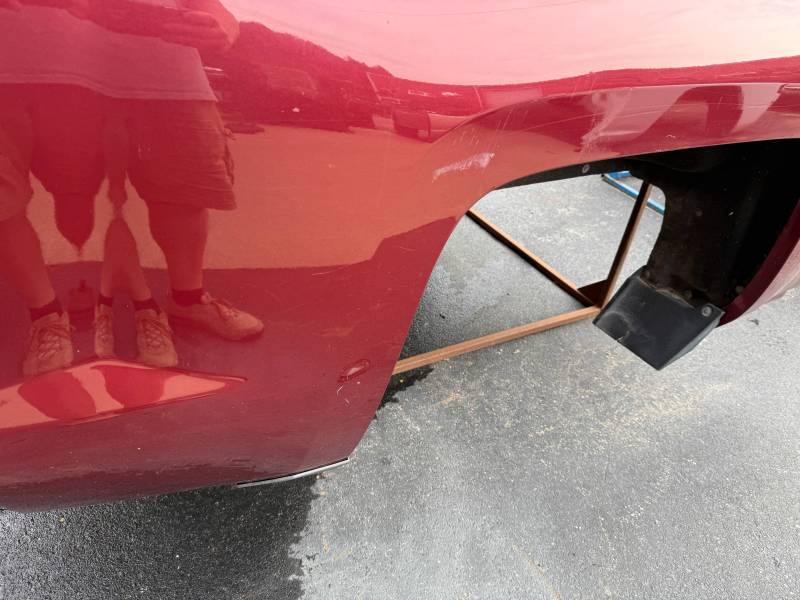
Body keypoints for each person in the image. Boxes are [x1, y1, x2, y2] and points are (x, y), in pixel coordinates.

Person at [0, 0, 263, 377]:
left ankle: (188, 299)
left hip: (165, 76)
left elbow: (210, 7)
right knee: (5, 200)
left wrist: (223, 24)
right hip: (20, 68)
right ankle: (46, 317)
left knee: (186, 195)